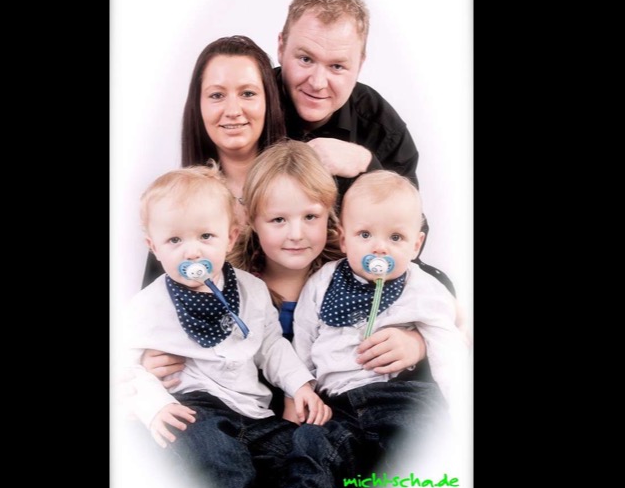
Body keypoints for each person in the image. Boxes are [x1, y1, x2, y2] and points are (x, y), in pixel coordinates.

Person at [144, 140, 433, 417]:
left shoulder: (355, 268)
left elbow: (439, 299)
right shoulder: (225, 282)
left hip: (351, 412)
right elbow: (153, 324)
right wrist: (146, 363)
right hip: (252, 420)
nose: (296, 234)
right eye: (278, 220)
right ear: (251, 220)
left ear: (330, 215)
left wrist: (418, 343)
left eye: (310, 217)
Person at [119, 162, 333, 488]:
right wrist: (154, 406)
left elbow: (270, 345)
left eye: (206, 236)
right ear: (153, 246)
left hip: (255, 414)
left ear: (231, 237)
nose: (192, 252)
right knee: (211, 454)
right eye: (175, 240)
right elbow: (125, 366)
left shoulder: (251, 290)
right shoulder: (147, 306)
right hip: (196, 410)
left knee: (306, 444)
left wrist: (300, 386)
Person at [286, 170, 470, 488]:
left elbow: (448, 348)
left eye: (396, 237)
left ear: (416, 245)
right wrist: (302, 390)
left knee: (421, 437)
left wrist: (459, 409)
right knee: (311, 443)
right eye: (365, 234)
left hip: (400, 396)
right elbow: (304, 338)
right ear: (343, 239)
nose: (380, 247)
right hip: (336, 403)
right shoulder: (323, 282)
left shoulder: (424, 288)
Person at [274, 0, 459, 294]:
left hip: (351, 278)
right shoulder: (247, 104)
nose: (317, 82)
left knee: (440, 290)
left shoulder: (383, 127)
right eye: (305, 59)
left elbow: (410, 239)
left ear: (359, 64)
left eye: (337, 66)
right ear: (281, 47)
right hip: (263, 266)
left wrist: (368, 166)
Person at [140, 34, 287, 287]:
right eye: (217, 95)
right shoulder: (175, 201)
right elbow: (154, 301)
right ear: (198, 106)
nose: (233, 110)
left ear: (268, 101)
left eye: (248, 93)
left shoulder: (300, 187)